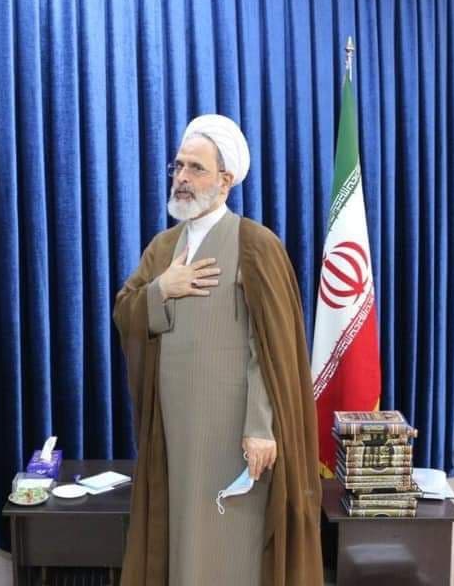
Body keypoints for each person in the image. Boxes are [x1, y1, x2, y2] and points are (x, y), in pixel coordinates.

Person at [113, 115, 323, 585]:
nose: (182, 178)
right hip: (172, 424)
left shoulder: (255, 244)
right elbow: (125, 311)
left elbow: (271, 349)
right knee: (182, 534)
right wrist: (161, 290)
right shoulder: (163, 247)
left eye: (196, 168)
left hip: (233, 428)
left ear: (225, 181)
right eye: (178, 166)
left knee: (231, 537)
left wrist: (260, 428)